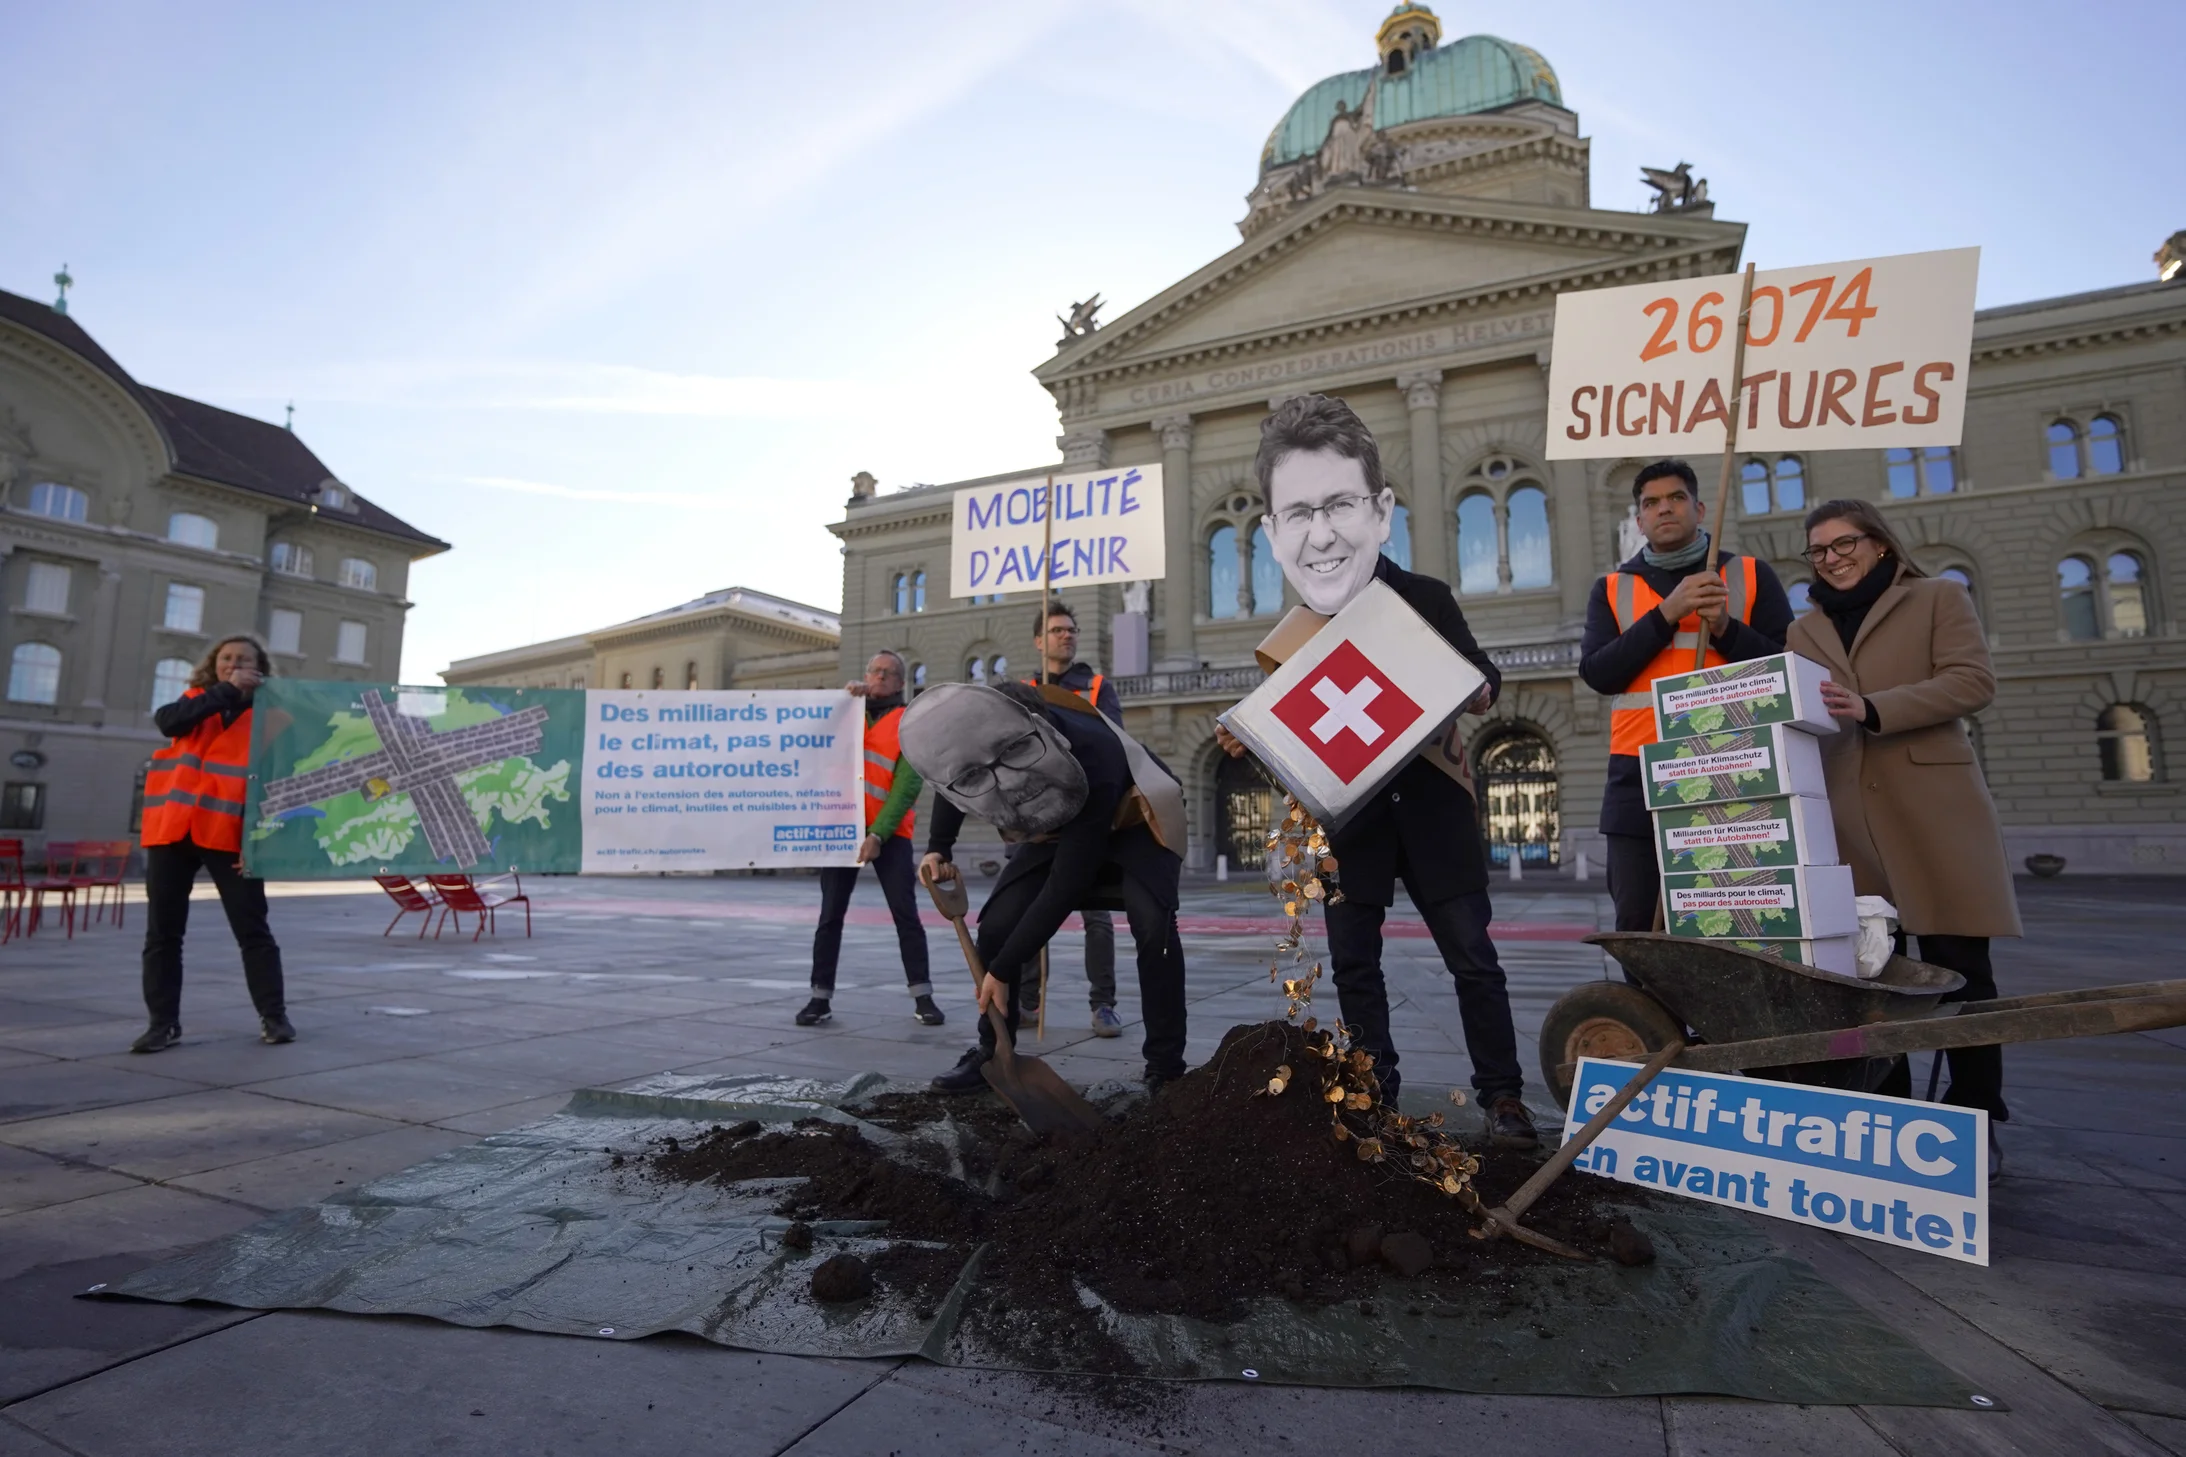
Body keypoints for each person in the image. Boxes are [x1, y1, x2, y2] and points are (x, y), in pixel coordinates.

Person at [1212, 393, 1533, 1147]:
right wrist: (1246, 738)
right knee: (1356, 965)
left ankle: (1505, 1096)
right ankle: (1372, 1088)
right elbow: (1294, 738)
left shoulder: (1422, 597)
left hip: (1433, 807)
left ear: (1374, 513)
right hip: (1351, 824)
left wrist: (1480, 688)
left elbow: (1479, 675)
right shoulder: (1297, 630)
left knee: (1474, 960)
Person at [1787, 499, 2018, 1149]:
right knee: (1875, 977)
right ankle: (1890, 1122)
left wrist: (1872, 706)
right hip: (1848, 819)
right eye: (1819, 550)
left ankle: (1976, 1116)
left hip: (1934, 810)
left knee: (1961, 973)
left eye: (1844, 544)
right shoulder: (1802, 630)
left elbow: (1972, 681)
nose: (1832, 559)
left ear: (1880, 544)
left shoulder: (1937, 598)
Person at [908, 681, 1188, 1095]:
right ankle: (992, 1052)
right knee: (998, 924)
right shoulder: (984, 740)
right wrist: (938, 848)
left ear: (1041, 729)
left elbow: (1066, 885)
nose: (1000, 770)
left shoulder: (1095, 753)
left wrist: (1003, 971)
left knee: (1154, 925)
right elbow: (956, 780)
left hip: (1135, 815)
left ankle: (1166, 1066)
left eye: (1013, 752)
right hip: (1056, 820)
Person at [1579, 460, 1793, 931]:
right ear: (1638, 521)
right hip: (1637, 775)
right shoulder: (1611, 588)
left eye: (1675, 498)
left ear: (1698, 508)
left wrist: (1724, 629)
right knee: (1638, 922)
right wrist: (1666, 614)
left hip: (1735, 767)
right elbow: (1598, 672)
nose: (1664, 509)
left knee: (1734, 921)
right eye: (1650, 503)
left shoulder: (1751, 575)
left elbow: (1786, 666)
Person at [133, 635, 292, 1053]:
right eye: (226, 658)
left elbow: (279, 783)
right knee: (162, 934)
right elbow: (168, 722)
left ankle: (274, 1018)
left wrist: (259, 844)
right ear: (214, 664)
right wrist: (224, 691)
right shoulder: (195, 701)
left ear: (260, 669)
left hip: (229, 837)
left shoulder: (270, 716)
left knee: (253, 930)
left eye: (244, 659)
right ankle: (162, 1024)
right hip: (173, 831)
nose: (233, 664)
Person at [798, 650, 945, 1028]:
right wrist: (844, 699)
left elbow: (907, 786)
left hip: (890, 833)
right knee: (830, 916)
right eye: (874, 671)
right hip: (840, 829)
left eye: (888, 673)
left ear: (900, 683)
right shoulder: (847, 713)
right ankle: (819, 998)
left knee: (905, 916)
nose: (879, 677)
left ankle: (923, 997)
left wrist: (878, 833)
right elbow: (809, 739)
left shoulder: (908, 722)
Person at [1021, 599, 1126, 1038]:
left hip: (1085, 818)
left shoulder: (1096, 686)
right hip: (1033, 817)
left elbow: (1114, 742)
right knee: (1028, 913)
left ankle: (1103, 1005)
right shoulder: (1022, 688)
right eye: (1058, 630)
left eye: (1071, 630)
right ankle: (1027, 1003)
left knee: (1097, 918)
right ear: (1039, 641)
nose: (1067, 635)